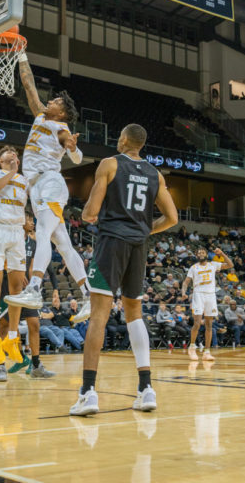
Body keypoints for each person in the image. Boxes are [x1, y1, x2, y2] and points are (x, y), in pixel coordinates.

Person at [70, 124, 177, 416]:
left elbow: (90, 213)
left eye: (118, 137)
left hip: (111, 244)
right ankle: (146, 389)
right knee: (135, 314)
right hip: (138, 247)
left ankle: (88, 392)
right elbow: (172, 217)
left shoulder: (110, 164)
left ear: (125, 140)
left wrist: (93, 215)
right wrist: (144, 230)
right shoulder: (156, 174)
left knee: (98, 316)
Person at [5, 52, 91, 323]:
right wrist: (21, 56)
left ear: (62, 112)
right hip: (38, 188)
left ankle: (34, 289)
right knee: (63, 245)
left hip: (50, 183)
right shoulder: (41, 116)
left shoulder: (62, 128)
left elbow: (74, 153)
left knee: (42, 235)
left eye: (54, 101)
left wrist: (75, 150)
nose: (49, 101)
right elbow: (28, 85)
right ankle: (89, 295)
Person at [0, 146, 29, 367]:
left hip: (17, 233)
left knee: (17, 289)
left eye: (14, 153)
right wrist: (10, 172)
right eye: (7, 153)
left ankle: (12, 339)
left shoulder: (25, 180)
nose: (12, 154)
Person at [0, 213, 55, 381]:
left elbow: (33, 266)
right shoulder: (9, 239)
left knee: (34, 324)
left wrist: (35, 286)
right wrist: (15, 272)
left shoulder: (34, 244)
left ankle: (36, 365)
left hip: (26, 290)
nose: (31, 222)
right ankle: (2, 364)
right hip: (8, 286)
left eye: (32, 219)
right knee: (4, 325)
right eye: (28, 219)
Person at [182, 246, 233, 361]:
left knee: (209, 325)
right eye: (198, 252)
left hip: (211, 295)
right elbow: (186, 282)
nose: (200, 254)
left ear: (206, 254)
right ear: (196, 256)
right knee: (197, 323)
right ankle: (192, 347)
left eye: (202, 252)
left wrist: (222, 253)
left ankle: (207, 352)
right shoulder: (193, 268)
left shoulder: (213, 264)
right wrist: (183, 292)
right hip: (198, 294)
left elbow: (230, 265)